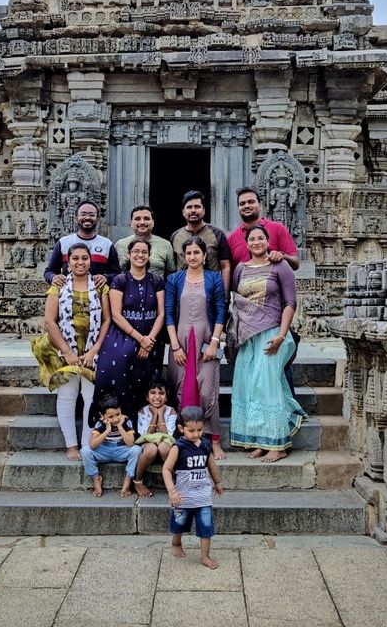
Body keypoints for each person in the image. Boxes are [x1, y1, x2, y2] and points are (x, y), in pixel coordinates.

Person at [228, 224, 306, 463]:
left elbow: (290, 303)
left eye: (261, 238)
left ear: (268, 241)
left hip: (272, 333)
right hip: (247, 337)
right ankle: (261, 440)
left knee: (268, 385)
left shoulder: (279, 266)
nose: (257, 242)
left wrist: (282, 335)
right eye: (252, 239)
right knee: (250, 387)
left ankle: (278, 444)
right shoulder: (240, 268)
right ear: (247, 243)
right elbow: (238, 301)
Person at [32, 242, 111, 461]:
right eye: (75, 258)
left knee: (90, 396)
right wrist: (67, 351)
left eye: (84, 258)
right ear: (68, 261)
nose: (80, 262)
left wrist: (94, 350)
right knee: (67, 396)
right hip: (64, 349)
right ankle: (71, 445)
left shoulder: (100, 286)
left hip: (92, 350)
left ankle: (87, 444)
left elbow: (107, 320)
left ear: (90, 261)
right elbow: (49, 321)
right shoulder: (58, 286)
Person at [165, 236, 227, 461]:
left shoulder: (214, 278)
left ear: (204, 256)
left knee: (208, 388)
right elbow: (169, 313)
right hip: (180, 341)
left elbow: (221, 310)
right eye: (188, 253)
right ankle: (183, 439)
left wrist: (214, 342)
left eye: (196, 253)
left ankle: (214, 440)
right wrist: (174, 347)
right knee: (182, 387)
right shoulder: (174, 279)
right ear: (184, 256)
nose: (192, 257)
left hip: (207, 339)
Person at [93, 239, 165, 421]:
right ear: (129, 255)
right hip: (124, 334)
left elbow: (161, 314)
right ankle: (118, 422)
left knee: (148, 379)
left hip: (152, 336)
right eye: (136, 252)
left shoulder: (156, 280)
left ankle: (146, 426)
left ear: (149, 255)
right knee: (116, 368)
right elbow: (116, 315)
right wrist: (140, 339)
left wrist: (149, 340)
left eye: (144, 252)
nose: (140, 255)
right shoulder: (120, 280)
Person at [162, 405, 223, 570]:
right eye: (191, 430)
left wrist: (217, 482)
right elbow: (166, 469)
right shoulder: (178, 447)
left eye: (200, 430)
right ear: (181, 429)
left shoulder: (205, 444)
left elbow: (211, 464)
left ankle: (205, 556)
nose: (196, 434)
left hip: (203, 494)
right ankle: (176, 543)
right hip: (182, 496)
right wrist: (172, 491)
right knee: (179, 522)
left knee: (206, 525)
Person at [44, 200, 120, 288]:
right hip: (68, 295)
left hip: (98, 296)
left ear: (98, 218)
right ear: (76, 217)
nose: (87, 217)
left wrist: (106, 278)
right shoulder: (63, 242)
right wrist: (53, 277)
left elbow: (116, 274)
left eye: (92, 215)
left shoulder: (107, 244)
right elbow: (49, 271)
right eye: (83, 214)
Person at [169, 191, 232, 292]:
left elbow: (225, 266)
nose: (193, 210)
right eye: (189, 207)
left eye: (197, 207)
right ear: (183, 211)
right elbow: (171, 269)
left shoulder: (217, 234)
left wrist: (225, 294)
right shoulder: (175, 236)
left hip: (211, 292)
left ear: (204, 210)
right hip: (183, 292)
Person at [81, 393, 142, 498]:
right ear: (103, 415)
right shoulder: (101, 423)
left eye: (118, 414)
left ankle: (128, 480)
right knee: (85, 451)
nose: (115, 419)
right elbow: (92, 445)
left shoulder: (125, 421)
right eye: (110, 417)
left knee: (136, 450)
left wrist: (120, 426)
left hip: (121, 450)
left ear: (121, 411)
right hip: (104, 450)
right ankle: (96, 479)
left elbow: (130, 443)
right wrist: (107, 430)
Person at [227, 187, 299, 270]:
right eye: (242, 203)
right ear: (238, 208)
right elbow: (229, 271)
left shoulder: (278, 229)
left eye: (251, 202)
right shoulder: (232, 239)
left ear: (260, 205)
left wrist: (282, 256)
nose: (246, 206)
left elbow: (295, 264)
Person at [133, 380, 178, 498]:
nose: (157, 397)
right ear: (147, 397)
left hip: (165, 445)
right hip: (148, 445)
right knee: (151, 449)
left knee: (163, 447)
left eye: (161, 393)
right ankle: (138, 481)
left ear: (167, 397)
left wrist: (161, 414)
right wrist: (154, 415)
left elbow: (167, 434)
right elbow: (146, 435)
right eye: (153, 393)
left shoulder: (171, 411)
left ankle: (175, 479)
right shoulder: (142, 411)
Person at [114, 205, 176, 279]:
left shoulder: (165, 245)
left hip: (157, 289)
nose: (142, 222)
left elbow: (171, 275)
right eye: (137, 219)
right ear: (131, 222)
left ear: (153, 222)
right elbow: (114, 272)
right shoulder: (120, 245)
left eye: (146, 219)